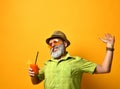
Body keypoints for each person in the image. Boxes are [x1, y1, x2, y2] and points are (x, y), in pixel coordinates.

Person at [28, 31, 115, 89]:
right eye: (50, 44)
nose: (53, 45)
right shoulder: (47, 64)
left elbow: (105, 69)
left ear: (65, 44)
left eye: (56, 42)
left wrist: (109, 47)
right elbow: (35, 82)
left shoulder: (76, 61)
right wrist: (33, 75)